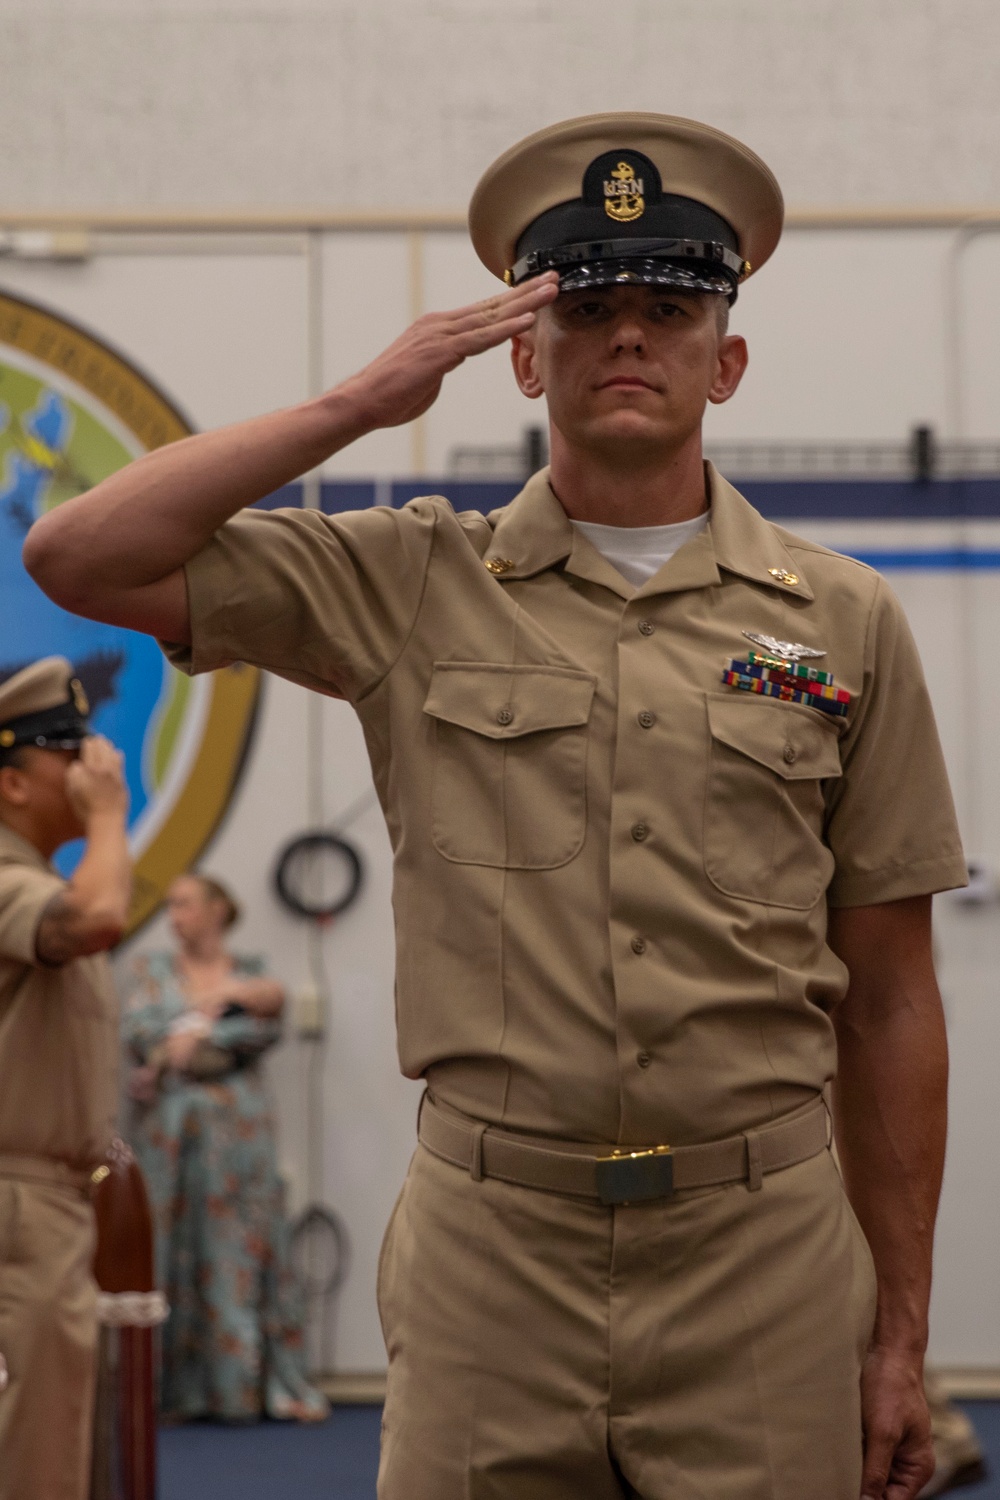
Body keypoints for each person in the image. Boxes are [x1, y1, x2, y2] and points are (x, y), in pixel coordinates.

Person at [23, 112, 967, 1500]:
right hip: (493, 1256)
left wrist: (900, 1330)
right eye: (586, 310)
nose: (629, 338)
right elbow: (76, 553)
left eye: (670, 307)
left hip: (760, 1255)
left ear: (731, 357)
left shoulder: (841, 619)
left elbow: (891, 996)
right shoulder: (410, 580)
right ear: (524, 353)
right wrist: (361, 401)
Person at [122, 872, 328, 1422]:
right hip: (170, 1134)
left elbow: (264, 1025)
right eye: (169, 906)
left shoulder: (251, 972)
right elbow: (142, 1032)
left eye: (185, 903)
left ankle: (244, 1389)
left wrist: (196, 1036)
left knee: (243, 1245)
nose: (174, 916)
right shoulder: (151, 972)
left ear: (217, 910)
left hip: (241, 1137)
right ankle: (177, 1391)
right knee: (169, 1244)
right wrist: (205, 1033)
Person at [0, 656, 130, 1500]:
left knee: (54, 1444)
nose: (93, 766)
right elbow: (100, 918)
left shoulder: (35, 875)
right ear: (13, 784)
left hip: (46, 1202)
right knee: (33, 1460)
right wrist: (113, 813)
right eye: (69, 752)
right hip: (17, 1210)